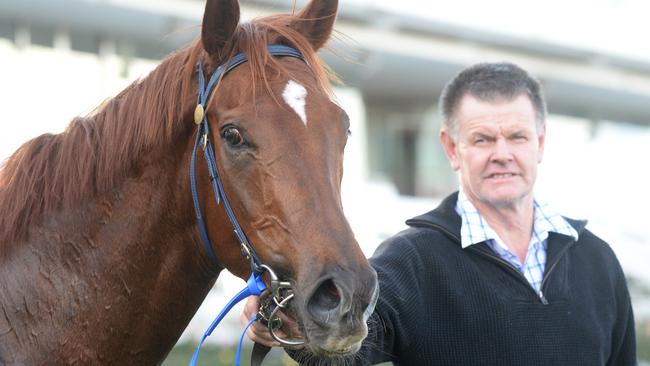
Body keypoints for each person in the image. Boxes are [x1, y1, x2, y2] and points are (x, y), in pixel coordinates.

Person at [241, 62, 637, 365]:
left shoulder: (597, 259)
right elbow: (346, 349)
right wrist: (286, 321)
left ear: (540, 143)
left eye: (517, 136)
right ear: (451, 149)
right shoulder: (412, 259)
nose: (502, 154)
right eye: (482, 139)